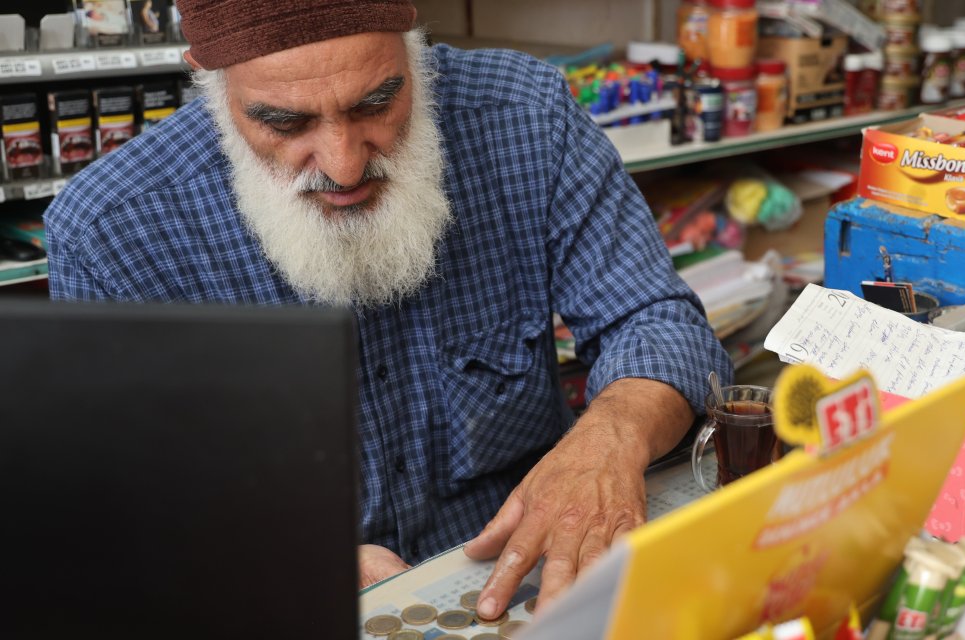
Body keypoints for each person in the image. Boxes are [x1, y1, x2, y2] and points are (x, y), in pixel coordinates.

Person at [44, 0, 733, 621]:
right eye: (285, 123)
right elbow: (121, 512)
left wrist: (609, 438)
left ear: (413, 42)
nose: (344, 166)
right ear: (208, 78)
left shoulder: (526, 114)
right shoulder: (111, 230)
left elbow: (657, 320)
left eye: (377, 103)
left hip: (530, 578)